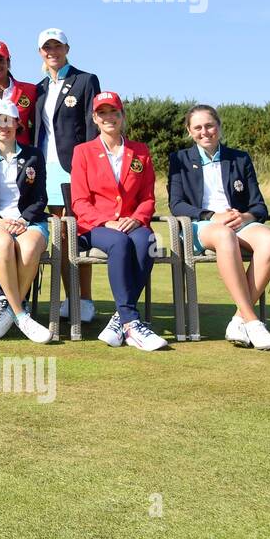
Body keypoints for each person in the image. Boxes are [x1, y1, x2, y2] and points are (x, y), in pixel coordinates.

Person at [168, 104, 270, 350]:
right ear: (189, 131)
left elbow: (259, 205)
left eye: (209, 125)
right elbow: (176, 205)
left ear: (218, 126)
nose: (205, 131)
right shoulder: (179, 159)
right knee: (224, 235)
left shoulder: (240, 157)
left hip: (238, 222)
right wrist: (211, 215)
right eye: (197, 127)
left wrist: (246, 217)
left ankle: (239, 318)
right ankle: (253, 322)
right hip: (201, 225)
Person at [69, 92, 167, 351]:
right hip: (95, 227)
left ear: (122, 116)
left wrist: (136, 219)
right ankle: (132, 323)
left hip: (132, 223)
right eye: (103, 113)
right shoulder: (83, 152)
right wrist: (105, 221)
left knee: (148, 241)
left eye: (114, 112)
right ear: (95, 118)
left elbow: (147, 197)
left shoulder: (140, 151)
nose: (109, 117)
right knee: (121, 244)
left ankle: (121, 319)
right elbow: (79, 201)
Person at [30, 28, 102, 325]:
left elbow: (91, 126)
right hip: (42, 168)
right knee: (57, 235)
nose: (52, 51)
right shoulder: (39, 87)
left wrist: (90, 169)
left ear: (66, 48)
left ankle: (83, 299)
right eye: (47, 47)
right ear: (40, 52)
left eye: (57, 46)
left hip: (73, 168)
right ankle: (67, 297)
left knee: (76, 233)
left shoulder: (85, 80)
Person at [0, 98, 52, 343]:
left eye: (8, 120)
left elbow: (40, 197)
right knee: (4, 244)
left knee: (29, 248)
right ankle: (21, 314)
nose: (3, 126)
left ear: (17, 123)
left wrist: (24, 220)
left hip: (28, 221)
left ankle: (9, 313)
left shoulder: (34, 155)